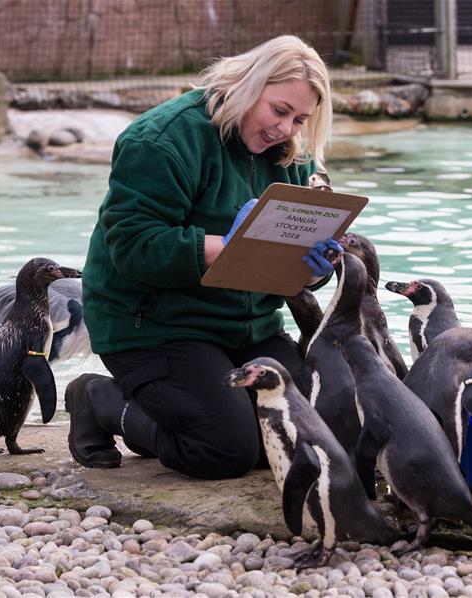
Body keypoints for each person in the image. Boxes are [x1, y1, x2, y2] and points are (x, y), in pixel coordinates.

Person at [66, 35, 339, 480]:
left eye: (300, 119)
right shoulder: (161, 139)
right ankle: (101, 399)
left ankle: (172, 411)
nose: (286, 130)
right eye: (279, 110)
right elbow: (133, 247)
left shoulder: (291, 152)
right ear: (248, 86)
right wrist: (224, 247)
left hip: (247, 326)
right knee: (225, 449)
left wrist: (314, 268)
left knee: (308, 435)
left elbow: (291, 265)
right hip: (155, 325)